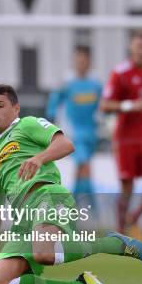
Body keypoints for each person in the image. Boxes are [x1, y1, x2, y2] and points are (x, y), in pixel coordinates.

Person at [0, 84, 142, 284]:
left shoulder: (27, 125)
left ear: (16, 108)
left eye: (0, 105)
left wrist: (39, 158)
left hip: (48, 196)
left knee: (44, 254)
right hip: (23, 220)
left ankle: (112, 244)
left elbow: (65, 144)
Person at [100, 30, 142, 240]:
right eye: (139, 47)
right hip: (125, 139)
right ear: (131, 48)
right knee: (127, 188)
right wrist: (129, 105)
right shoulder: (120, 73)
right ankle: (121, 235)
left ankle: (134, 217)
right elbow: (104, 105)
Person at [46, 46, 101, 201]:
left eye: (84, 60)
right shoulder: (67, 83)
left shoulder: (95, 84)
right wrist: (50, 123)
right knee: (84, 166)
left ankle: (73, 206)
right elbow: (54, 102)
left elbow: (104, 105)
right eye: (78, 60)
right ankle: (93, 209)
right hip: (74, 132)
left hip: (91, 132)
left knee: (82, 169)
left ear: (89, 62)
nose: (81, 63)